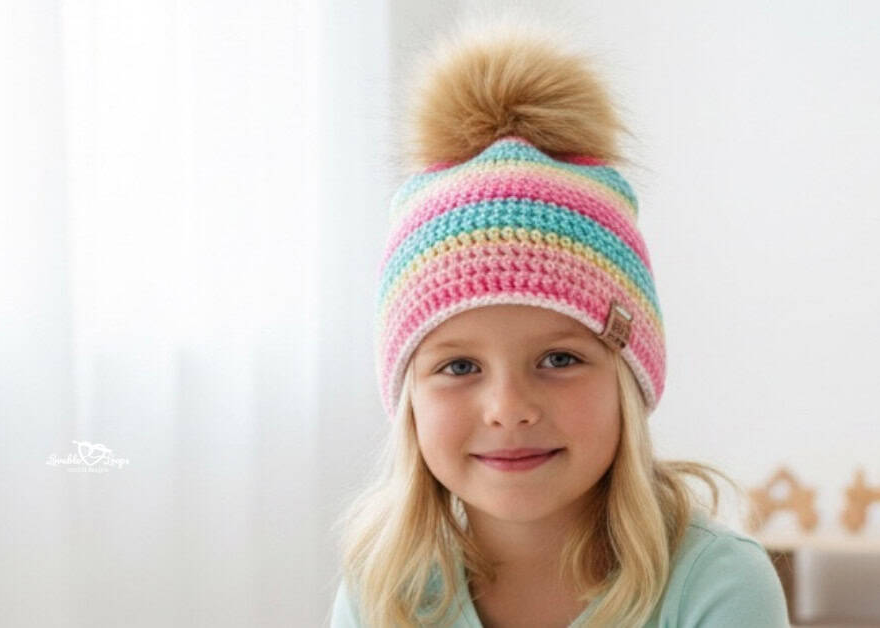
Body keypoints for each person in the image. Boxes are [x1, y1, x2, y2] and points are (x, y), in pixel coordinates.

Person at [330, 17, 790, 628]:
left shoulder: (716, 584)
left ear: (628, 376)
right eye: (459, 366)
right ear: (407, 394)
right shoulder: (385, 589)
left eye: (559, 359)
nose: (508, 408)